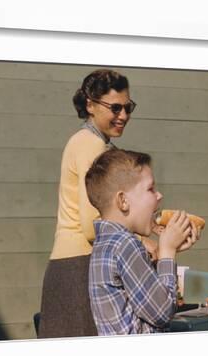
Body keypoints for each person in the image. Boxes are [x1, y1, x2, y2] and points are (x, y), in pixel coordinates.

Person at [38, 69, 139, 338]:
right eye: (115, 108)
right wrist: (142, 242)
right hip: (78, 268)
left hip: (75, 265)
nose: (124, 116)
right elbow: (92, 226)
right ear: (90, 105)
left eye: (128, 108)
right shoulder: (90, 145)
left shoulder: (95, 144)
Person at [85, 148, 199, 335]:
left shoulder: (105, 243)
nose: (159, 195)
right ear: (123, 201)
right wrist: (167, 252)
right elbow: (162, 312)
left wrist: (166, 252)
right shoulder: (126, 244)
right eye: (150, 189)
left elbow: (141, 303)